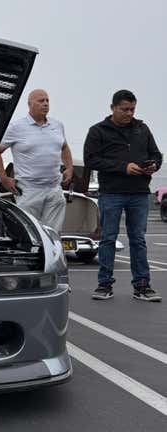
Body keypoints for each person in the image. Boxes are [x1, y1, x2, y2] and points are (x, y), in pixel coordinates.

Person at [84, 90, 163, 302]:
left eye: (132, 109)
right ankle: (104, 285)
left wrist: (154, 165)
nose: (129, 113)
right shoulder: (98, 131)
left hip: (139, 193)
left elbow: (156, 154)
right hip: (111, 193)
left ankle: (142, 286)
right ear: (113, 108)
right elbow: (91, 160)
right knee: (108, 239)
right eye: (124, 109)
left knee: (138, 240)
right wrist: (123, 167)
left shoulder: (142, 129)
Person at [0, 89, 73, 233]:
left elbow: (65, 147)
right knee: (29, 234)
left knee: (53, 235)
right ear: (30, 104)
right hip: (29, 191)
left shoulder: (57, 125)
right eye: (41, 101)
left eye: (47, 100)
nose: (45, 104)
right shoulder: (16, 127)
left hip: (54, 189)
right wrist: (4, 178)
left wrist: (69, 168)